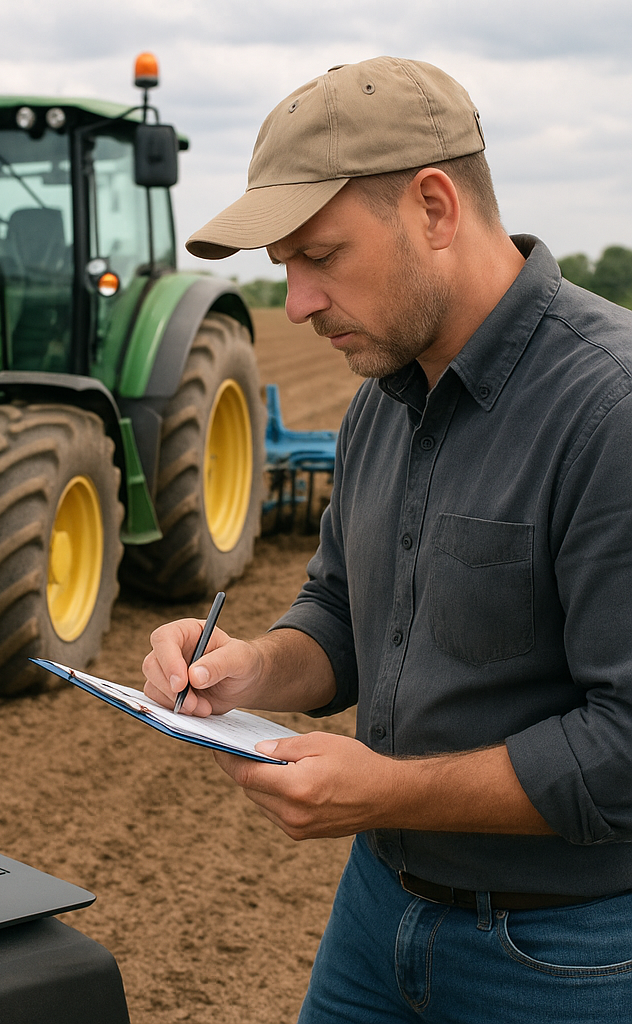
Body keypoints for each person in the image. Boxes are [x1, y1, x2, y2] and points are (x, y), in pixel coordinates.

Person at [142, 56, 632, 1022]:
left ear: (436, 208)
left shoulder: (608, 413)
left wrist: (388, 792)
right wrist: (250, 671)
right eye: (286, 268)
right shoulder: (380, 401)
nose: (299, 304)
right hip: (378, 918)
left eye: (321, 256)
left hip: (567, 951)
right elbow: (343, 614)